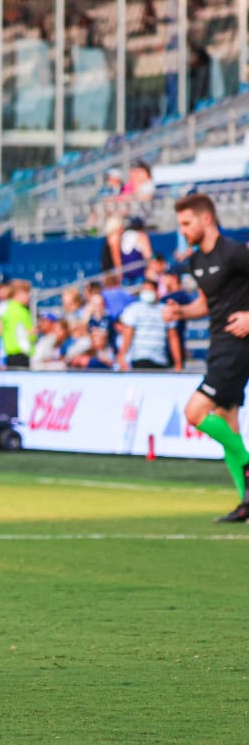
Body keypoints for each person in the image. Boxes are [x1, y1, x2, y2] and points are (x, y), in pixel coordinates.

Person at [164, 193, 249, 521]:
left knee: (194, 411)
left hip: (237, 347)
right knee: (227, 421)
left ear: (206, 219)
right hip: (218, 346)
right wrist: (181, 312)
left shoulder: (235, 253)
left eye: (186, 223)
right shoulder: (196, 261)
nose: (182, 230)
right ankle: (246, 502)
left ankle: (246, 461)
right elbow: (206, 303)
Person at [116, 278, 176, 371]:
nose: (147, 293)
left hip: (160, 359)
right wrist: (122, 355)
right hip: (139, 358)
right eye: (145, 290)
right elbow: (128, 334)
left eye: (149, 290)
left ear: (156, 291)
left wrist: (178, 362)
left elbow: (173, 337)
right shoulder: (134, 309)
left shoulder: (165, 310)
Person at [0, 279, 34, 368]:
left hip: (10, 352)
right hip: (21, 353)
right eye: (26, 293)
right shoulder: (21, 311)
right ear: (18, 294)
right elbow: (30, 333)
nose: (29, 296)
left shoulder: (6, 308)